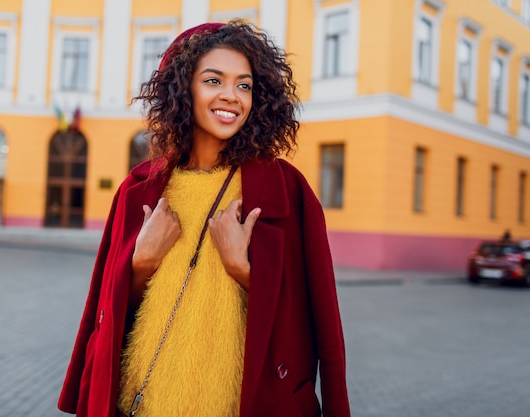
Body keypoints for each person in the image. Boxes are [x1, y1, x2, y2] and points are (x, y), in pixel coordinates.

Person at [58, 20, 350, 417]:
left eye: (244, 85)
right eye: (214, 81)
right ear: (183, 88)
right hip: (142, 403)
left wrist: (244, 270)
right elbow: (103, 313)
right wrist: (140, 264)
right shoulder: (139, 188)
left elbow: (322, 327)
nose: (232, 96)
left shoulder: (287, 190)